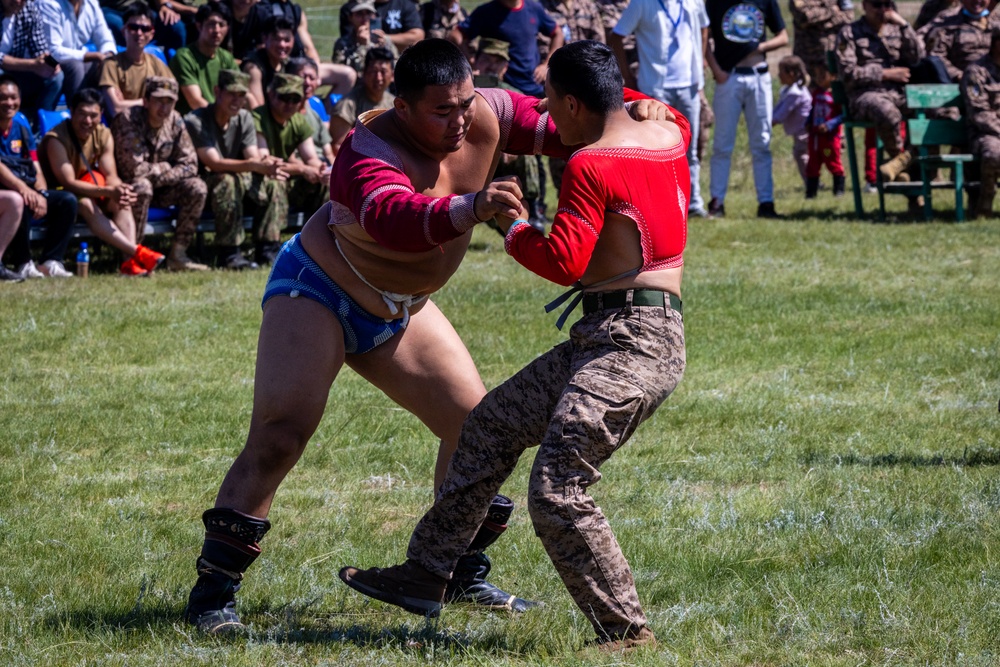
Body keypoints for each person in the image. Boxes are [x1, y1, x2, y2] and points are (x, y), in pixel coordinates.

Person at [182, 37, 670, 635]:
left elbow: (575, 116)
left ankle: (451, 573)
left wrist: (642, 107)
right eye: (442, 111)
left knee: (477, 429)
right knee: (282, 433)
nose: (460, 120)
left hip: (403, 308)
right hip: (319, 289)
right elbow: (396, 220)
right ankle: (213, 596)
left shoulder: (486, 114)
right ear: (402, 108)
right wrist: (472, 208)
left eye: (465, 103)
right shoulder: (364, 153)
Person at [338, 40, 688, 653]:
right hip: (617, 334)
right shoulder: (671, 134)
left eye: (552, 100)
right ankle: (428, 572)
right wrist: (650, 103)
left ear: (575, 103)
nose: (546, 113)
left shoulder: (590, 164)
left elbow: (563, 261)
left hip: (630, 344)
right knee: (488, 425)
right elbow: (660, 114)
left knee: (557, 488)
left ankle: (627, 633)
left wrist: (513, 225)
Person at [41, 88, 165, 276]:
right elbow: (67, 182)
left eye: (93, 115)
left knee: (121, 202)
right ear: (72, 112)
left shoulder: (104, 134)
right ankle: (137, 253)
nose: (87, 121)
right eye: (82, 114)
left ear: (101, 116)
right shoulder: (56, 139)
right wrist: (108, 191)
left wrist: (119, 189)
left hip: (89, 186)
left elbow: (111, 175)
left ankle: (129, 263)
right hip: (60, 195)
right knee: (86, 204)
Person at [610, 0, 708, 217]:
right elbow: (616, 36)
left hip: (689, 85)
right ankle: (657, 205)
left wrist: (700, 62)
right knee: (653, 150)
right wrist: (626, 77)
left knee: (690, 148)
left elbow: (703, 27)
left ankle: (694, 203)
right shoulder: (643, 4)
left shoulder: (694, 2)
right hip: (656, 87)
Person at [185, 69, 288, 269]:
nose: (237, 100)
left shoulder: (244, 118)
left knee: (275, 181)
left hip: (237, 175)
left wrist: (267, 164)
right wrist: (253, 164)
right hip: (203, 182)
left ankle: (268, 248)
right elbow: (212, 162)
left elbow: (252, 155)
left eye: (241, 95)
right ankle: (229, 253)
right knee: (227, 181)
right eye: (232, 94)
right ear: (217, 91)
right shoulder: (197, 120)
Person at [112, 76, 210, 271]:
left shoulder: (175, 121)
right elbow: (133, 169)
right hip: (129, 190)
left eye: (170, 102)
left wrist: (162, 172)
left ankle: (178, 255)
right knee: (142, 186)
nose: (164, 108)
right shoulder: (128, 119)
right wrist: (167, 166)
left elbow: (190, 165)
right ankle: (133, 256)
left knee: (197, 187)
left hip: (164, 189)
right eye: (159, 101)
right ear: (146, 101)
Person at [704, 0, 788, 219]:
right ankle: (717, 202)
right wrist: (716, 70)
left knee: (762, 143)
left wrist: (760, 47)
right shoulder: (714, 3)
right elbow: (704, 37)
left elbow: (783, 36)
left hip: (759, 76)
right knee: (722, 144)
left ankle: (766, 203)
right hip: (729, 77)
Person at [835, 0, 924, 183]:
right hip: (865, 95)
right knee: (886, 111)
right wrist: (885, 74)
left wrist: (905, 25)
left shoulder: (896, 29)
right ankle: (898, 159)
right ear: (864, 5)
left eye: (887, 4)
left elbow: (919, 57)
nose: (883, 10)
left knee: (939, 112)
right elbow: (848, 73)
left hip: (899, 93)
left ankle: (902, 163)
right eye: (877, 4)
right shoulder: (849, 33)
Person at [0, 75, 77, 279]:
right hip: (7, 192)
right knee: (23, 200)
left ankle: (52, 260)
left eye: (13, 97)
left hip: (26, 188)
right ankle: (23, 262)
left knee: (67, 201)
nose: (9, 103)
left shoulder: (22, 129)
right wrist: (25, 190)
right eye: (3, 98)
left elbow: (36, 166)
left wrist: (41, 192)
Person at [251, 71, 325, 264]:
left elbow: (311, 158)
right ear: (271, 94)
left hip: (287, 178)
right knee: (276, 184)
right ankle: (268, 248)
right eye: (284, 97)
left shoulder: (298, 120)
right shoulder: (258, 117)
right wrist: (302, 169)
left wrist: (321, 171)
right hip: (259, 181)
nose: (289, 104)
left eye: (295, 99)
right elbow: (264, 161)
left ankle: (319, 242)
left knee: (325, 184)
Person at [450, 0, 564, 99]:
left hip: (534, 85)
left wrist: (546, 64)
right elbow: (456, 35)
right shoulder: (487, 12)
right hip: (503, 88)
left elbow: (557, 33)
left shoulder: (534, 9)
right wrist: (471, 62)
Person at [98, 2, 175, 119]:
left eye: (145, 29)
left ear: (151, 34)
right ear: (124, 31)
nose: (139, 33)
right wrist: (150, 102)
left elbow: (170, 102)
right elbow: (116, 108)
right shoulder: (111, 65)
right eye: (133, 27)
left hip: (153, 124)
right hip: (125, 127)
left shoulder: (158, 65)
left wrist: (130, 103)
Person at [38, 0, 116, 104]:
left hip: (78, 58)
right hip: (49, 62)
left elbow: (105, 38)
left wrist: (107, 55)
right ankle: (79, 115)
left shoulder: (91, 3)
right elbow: (53, 51)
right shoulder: (48, 3)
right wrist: (93, 56)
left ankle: (112, 116)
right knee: (76, 67)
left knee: (107, 65)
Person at [170, 1, 239, 115]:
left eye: (221, 25)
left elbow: (239, 93)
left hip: (222, 118)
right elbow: (195, 102)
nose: (217, 31)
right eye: (211, 24)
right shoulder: (184, 57)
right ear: (199, 26)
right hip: (194, 122)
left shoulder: (226, 58)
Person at [960, 26, 1000, 217]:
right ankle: (985, 201)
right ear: (996, 44)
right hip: (985, 134)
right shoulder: (976, 71)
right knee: (994, 153)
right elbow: (979, 113)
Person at [0, 0, 64, 116]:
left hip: (18, 72)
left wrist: (52, 64)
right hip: (4, 71)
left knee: (56, 77)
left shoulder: (30, 10)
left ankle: (40, 126)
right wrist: (31, 64)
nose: (18, 1)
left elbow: (40, 49)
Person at [329, 46, 394, 155]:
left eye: (383, 72)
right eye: (373, 72)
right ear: (364, 73)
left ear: (392, 75)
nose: (378, 78)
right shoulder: (347, 106)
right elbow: (338, 147)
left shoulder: (395, 104)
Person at [924, 0, 995, 83]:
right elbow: (937, 55)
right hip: (959, 82)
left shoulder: (996, 22)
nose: (977, 0)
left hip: (994, 79)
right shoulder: (947, 22)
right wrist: (958, 75)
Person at [284, 57, 335, 165]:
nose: (307, 83)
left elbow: (328, 153)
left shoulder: (315, 111)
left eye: (312, 78)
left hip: (322, 167)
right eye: (302, 77)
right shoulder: (284, 114)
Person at [772, 55, 811, 188]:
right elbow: (778, 108)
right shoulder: (788, 90)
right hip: (799, 130)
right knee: (801, 154)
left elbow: (783, 112)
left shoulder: (795, 93)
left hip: (804, 130)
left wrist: (771, 122)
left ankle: (811, 181)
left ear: (791, 74)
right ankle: (811, 181)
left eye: (781, 72)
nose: (778, 75)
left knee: (802, 155)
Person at [805, 64, 844, 198]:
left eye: (823, 75)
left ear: (833, 76)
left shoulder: (836, 95)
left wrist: (829, 125)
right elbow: (812, 109)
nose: (819, 78)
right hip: (815, 137)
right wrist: (808, 122)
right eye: (817, 75)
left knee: (833, 162)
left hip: (830, 138)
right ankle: (811, 193)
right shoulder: (816, 93)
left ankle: (838, 190)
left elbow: (842, 115)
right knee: (812, 163)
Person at [242, 15, 295, 109]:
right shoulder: (254, 68)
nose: (282, 45)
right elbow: (258, 109)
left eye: (287, 40)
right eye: (276, 39)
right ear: (265, 39)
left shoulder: (288, 64)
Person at [333, 1, 398, 77]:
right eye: (359, 14)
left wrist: (385, 48)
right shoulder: (342, 43)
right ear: (350, 18)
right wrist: (361, 47)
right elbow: (341, 73)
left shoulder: (383, 40)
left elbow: (396, 66)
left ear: (374, 16)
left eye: (368, 13)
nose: (364, 18)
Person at [789, 0, 853, 77]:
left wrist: (820, 21)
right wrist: (833, 10)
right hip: (809, 59)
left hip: (835, 55)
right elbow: (804, 17)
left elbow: (849, 16)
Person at [339, 0, 425, 51]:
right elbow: (346, 41)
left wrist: (385, 38)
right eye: (360, 14)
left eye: (368, 13)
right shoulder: (356, 6)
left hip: (393, 57)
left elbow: (417, 36)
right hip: (360, 55)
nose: (365, 16)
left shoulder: (405, 4)